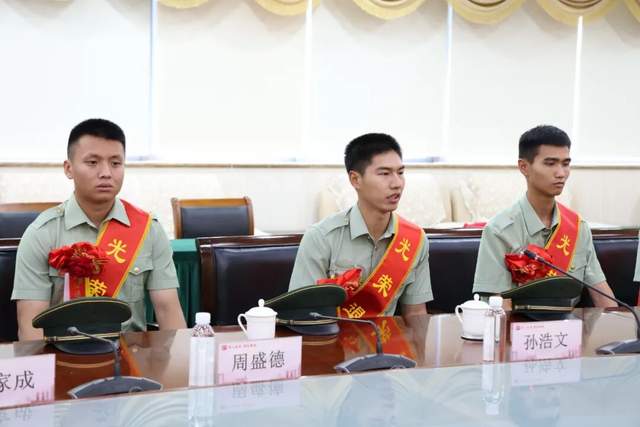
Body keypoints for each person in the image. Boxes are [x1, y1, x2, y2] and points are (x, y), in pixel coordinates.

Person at [12, 118, 187, 341]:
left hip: (129, 354)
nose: (106, 173)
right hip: (62, 354)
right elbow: (30, 327)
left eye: (115, 163)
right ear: (68, 168)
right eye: (93, 162)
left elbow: (168, 310)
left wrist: (184, 359)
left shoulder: (148, 230)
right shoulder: (42, 233)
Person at [288, 133, 432, 320]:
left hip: (387, 338)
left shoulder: (414, 240)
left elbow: (416, 314)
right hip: (332, 338)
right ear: (355, 179)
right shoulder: (321, 238)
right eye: (385, 173)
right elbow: (303, 315)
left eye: (400, 173)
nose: (397, 183)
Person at [472, 125, 616, 307]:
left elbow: (601, 295)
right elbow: (501, 308)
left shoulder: (578, 228)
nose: (561, 173)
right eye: (550, 163)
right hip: (518, 324)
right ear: (524, 167)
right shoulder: (499, 231)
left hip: (569, 323)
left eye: (565, 164)